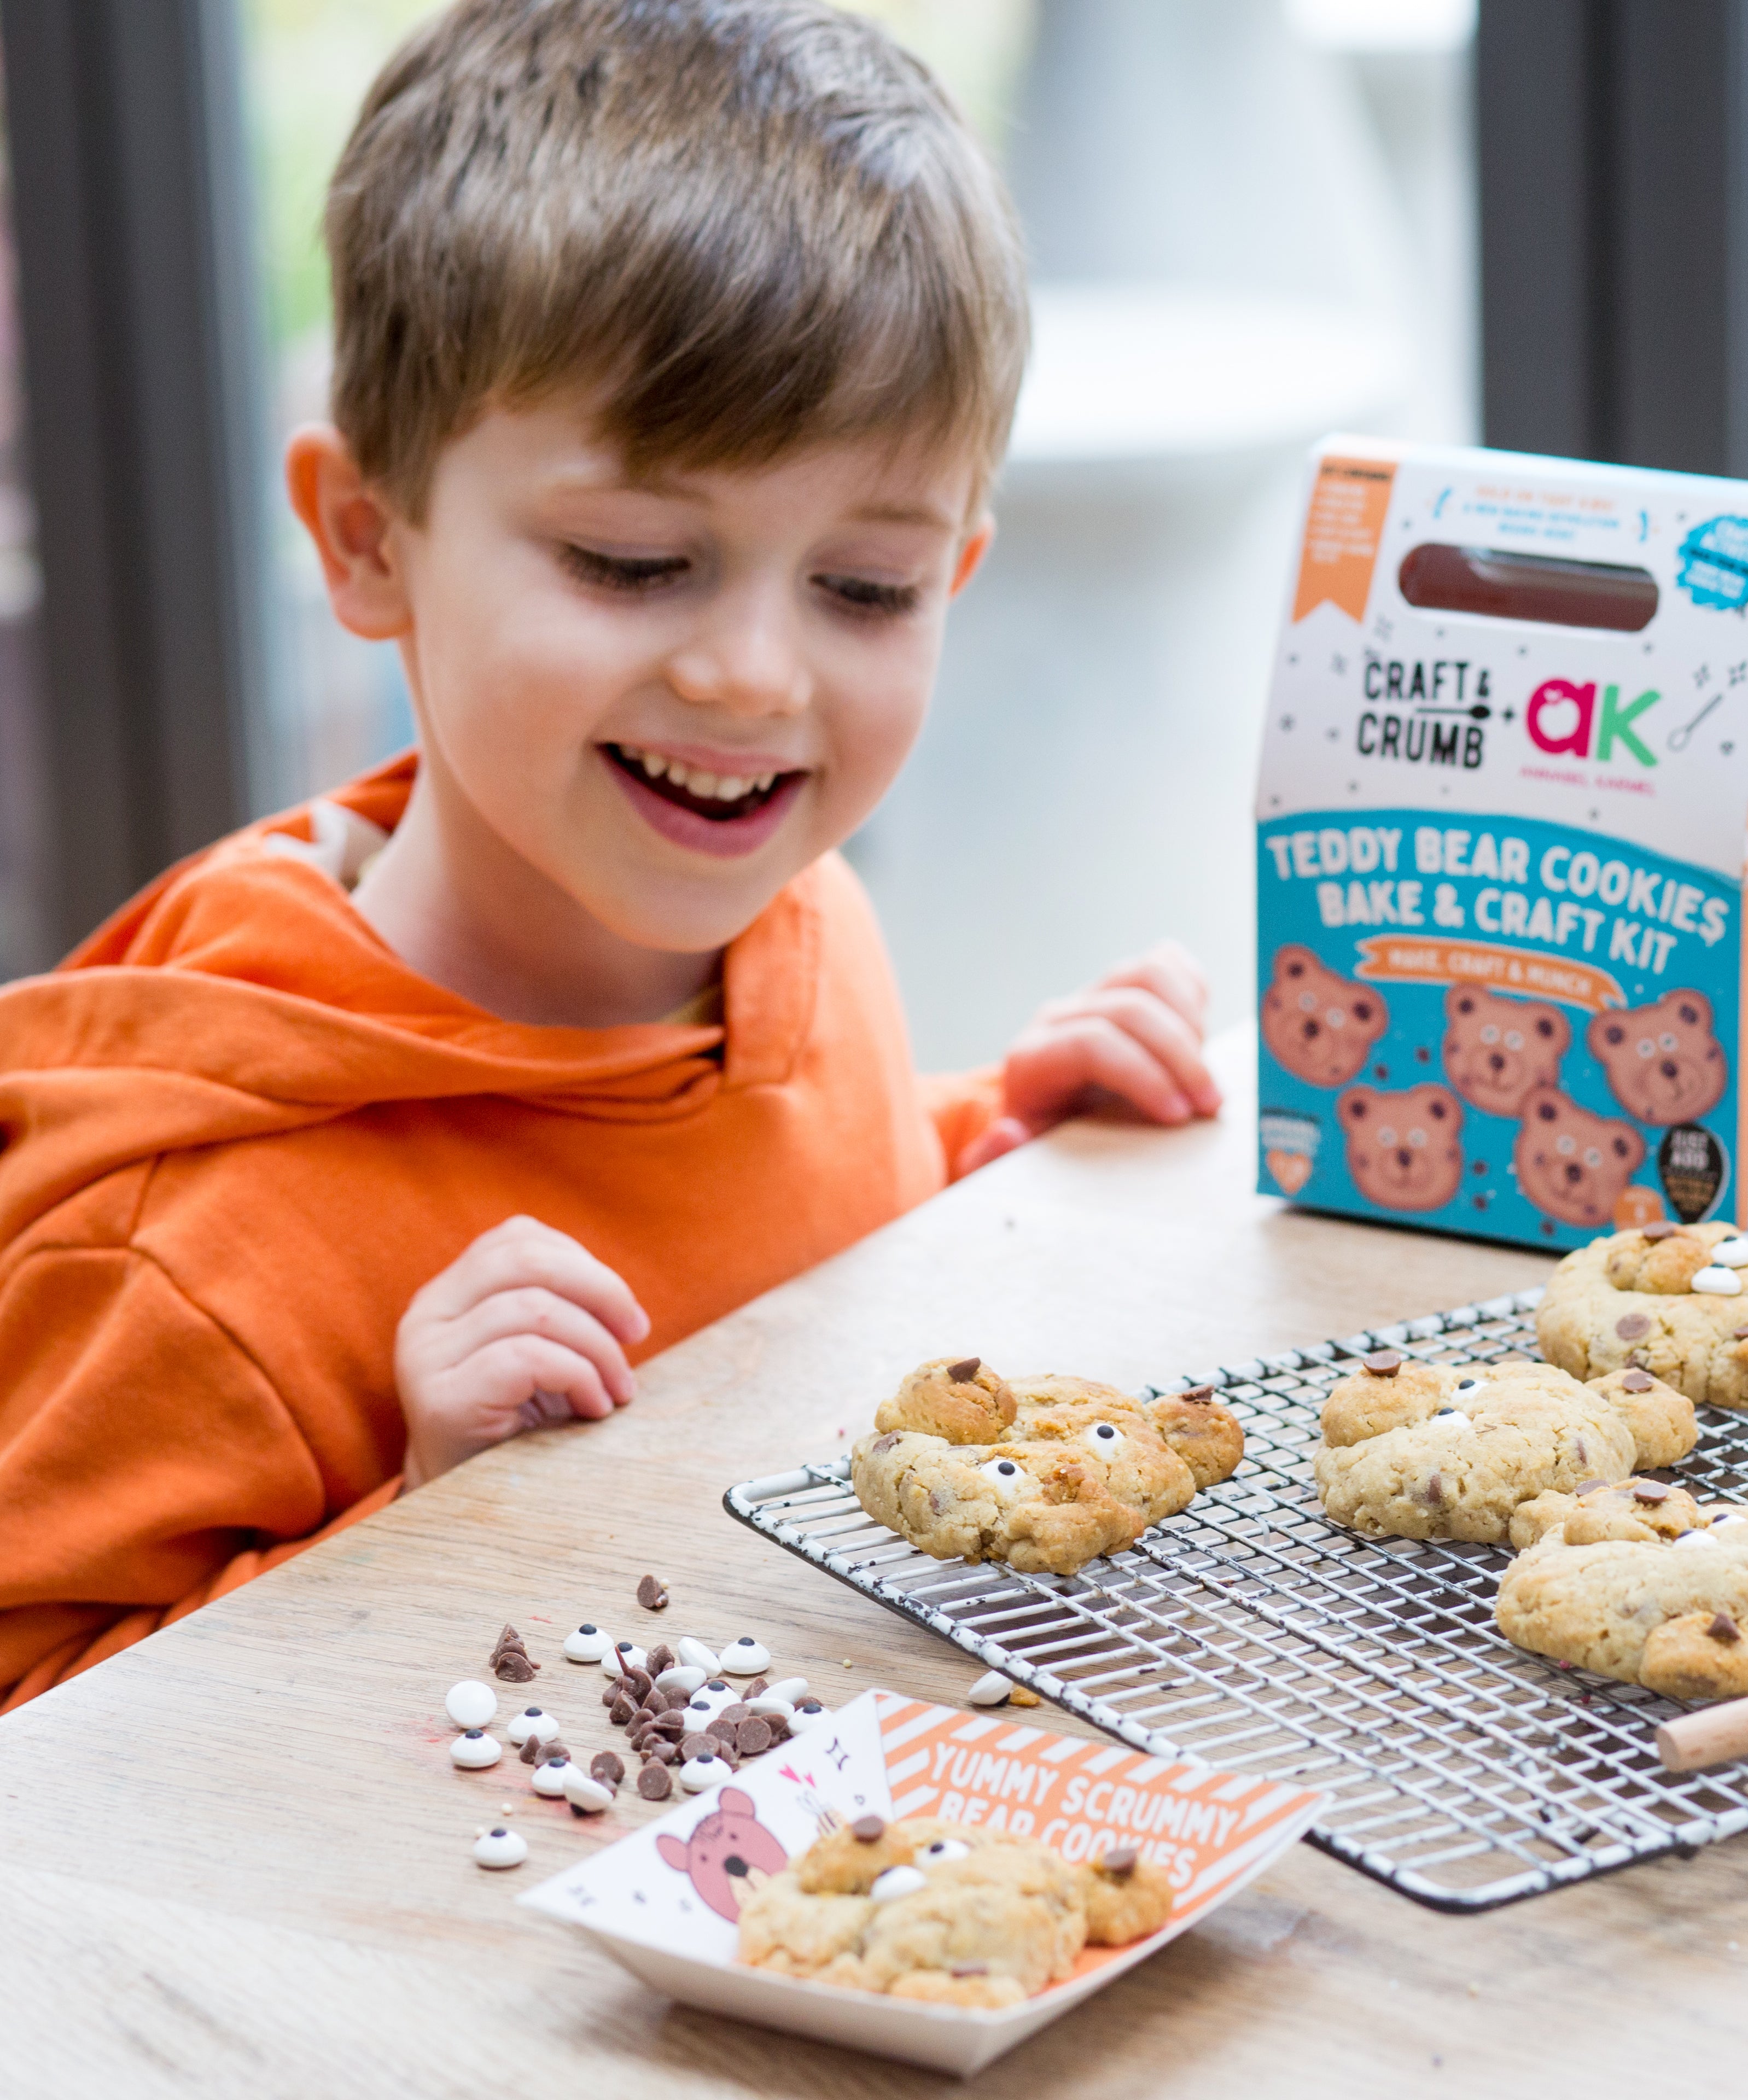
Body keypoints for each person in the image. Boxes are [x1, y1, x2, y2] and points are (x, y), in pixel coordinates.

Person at [0, 0, 1220, 1710]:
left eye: (864, 588)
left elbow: (752, 1211)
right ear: (369, 541)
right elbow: (44, 1769)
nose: (753, 675)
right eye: (635, 560)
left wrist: (978, 1139)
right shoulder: (182, 1242)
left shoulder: (807, 922)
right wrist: (418, 1515)